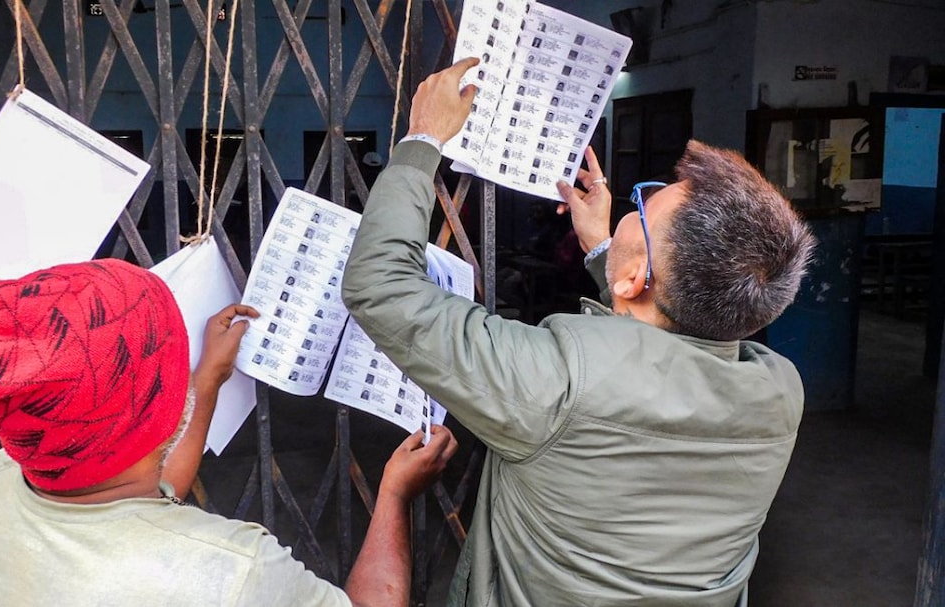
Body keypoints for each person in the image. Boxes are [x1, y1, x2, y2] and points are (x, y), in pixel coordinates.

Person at [341, 58, 815, 606]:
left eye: (641, 209)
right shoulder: (781, 391)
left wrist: (422, 140)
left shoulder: (559, 382)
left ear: (639, 278)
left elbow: (380, 285)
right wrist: (607, 259)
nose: (627, 214)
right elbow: (667, 345)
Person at [0, 258, 458, 606]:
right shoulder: (232, 573)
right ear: (154, 408)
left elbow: (141, 491)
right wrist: (393, 494)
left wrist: (205, 381)